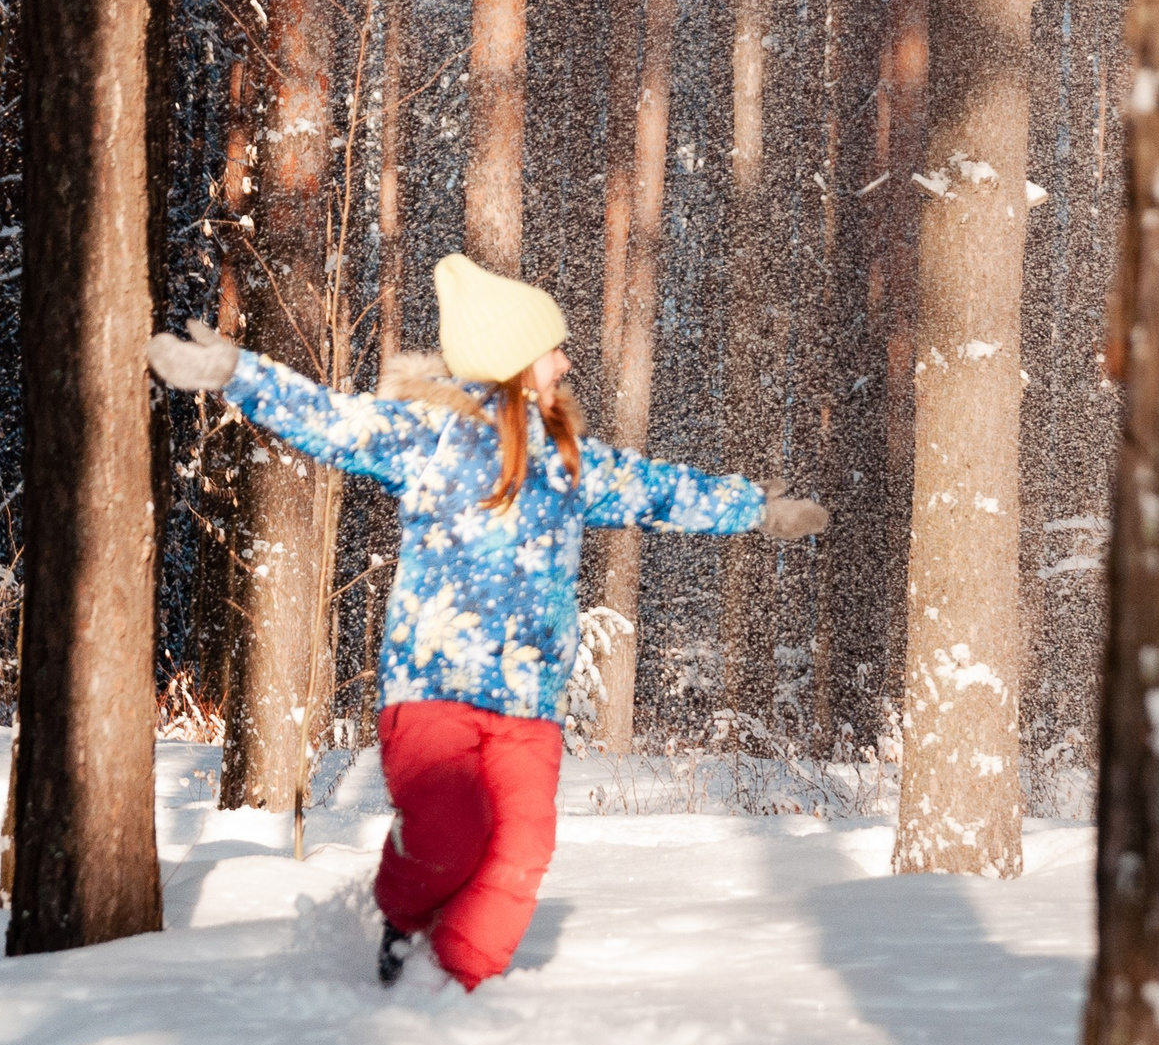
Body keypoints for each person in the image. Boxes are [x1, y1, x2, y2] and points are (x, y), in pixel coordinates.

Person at [147, 253, 829, 991]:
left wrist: (755, 508)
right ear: (511, 358)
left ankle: (455, 983)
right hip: (434, 690)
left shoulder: (570, 461)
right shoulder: (429, 438)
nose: (565, 363)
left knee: (523, 848)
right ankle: (401, 927)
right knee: (448, 830)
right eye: (552, 349)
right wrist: (234, 373)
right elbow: (331, 421)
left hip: (529, 705)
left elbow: (658, 489)